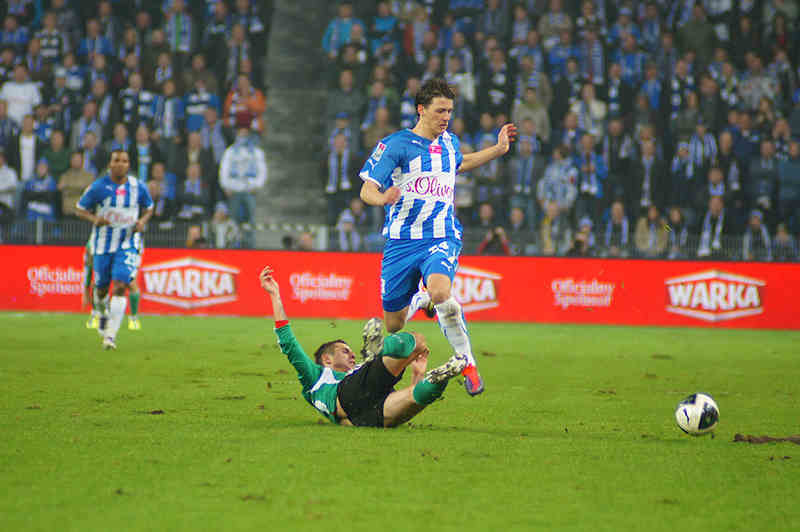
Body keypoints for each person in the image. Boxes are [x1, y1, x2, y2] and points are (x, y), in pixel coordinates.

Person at [358, 78, 517, 396]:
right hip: (402, 242)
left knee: (442, 292)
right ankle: (420, 299)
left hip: (441, 235)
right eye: (440, 111)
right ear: (421, 109)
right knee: (394, 326)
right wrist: (383, 197)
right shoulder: (396, 145)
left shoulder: (450, 142)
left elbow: (461, 162)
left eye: (450, 111)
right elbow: (366, 190)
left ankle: (468, 363)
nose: (446, 117)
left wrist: (498, 150)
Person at [260, 266, 466, 428]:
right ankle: (382, 347)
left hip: (362, 417)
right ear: (327, 359)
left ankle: (442, 376)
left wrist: (418, 373)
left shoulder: (358, 371)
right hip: (348, 395)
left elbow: (410, 391)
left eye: (350, 351)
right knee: (418, 341)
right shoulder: (315, 375)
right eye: (344, 351)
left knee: (414, 397)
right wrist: (274, 295)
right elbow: (288, 344)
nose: (351, 354)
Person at [75, 150, 153, 349]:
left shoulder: (138, 187)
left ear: (129, 165)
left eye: (124, 161)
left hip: (127, 243)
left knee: (120, 285)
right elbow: (79, 209)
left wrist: (142, 221)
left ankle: (110, 336)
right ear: (110, 164)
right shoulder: (98, 187)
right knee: (101, 289)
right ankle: (102, 315)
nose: (120, 164)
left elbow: (149, 207)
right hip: (103, 244)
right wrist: (94, 219)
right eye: (117, 160)